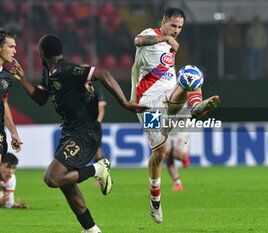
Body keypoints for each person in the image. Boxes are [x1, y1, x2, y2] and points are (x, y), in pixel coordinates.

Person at [11, 34, 148, 233]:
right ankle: (91, 230)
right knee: (66, 185)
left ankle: (98, 169)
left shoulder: (67, 69)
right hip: (70, 131)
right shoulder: (49, 72)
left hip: (85, 131)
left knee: (53, 179)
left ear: (41, 53)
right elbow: (41, 98)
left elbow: (102, 73)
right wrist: (22, 79)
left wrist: (124, 103)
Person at [130, 7, 220, 223]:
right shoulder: (151, 35)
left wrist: (170, 44)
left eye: (180, 27)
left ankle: (197, 105)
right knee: (159, 154)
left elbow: (167, 71)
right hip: (148, 103)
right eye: (173, 25)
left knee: (191, 74)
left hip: (168, 95)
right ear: (164, 22)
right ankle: (155, 198)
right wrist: (166, 38)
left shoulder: (173, 46)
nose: (176, 30)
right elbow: (137, 40)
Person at [0, 29, 23, 163]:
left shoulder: (7, 77)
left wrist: (13, 133)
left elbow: (4, 104)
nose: (14, 51)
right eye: (11, 47)